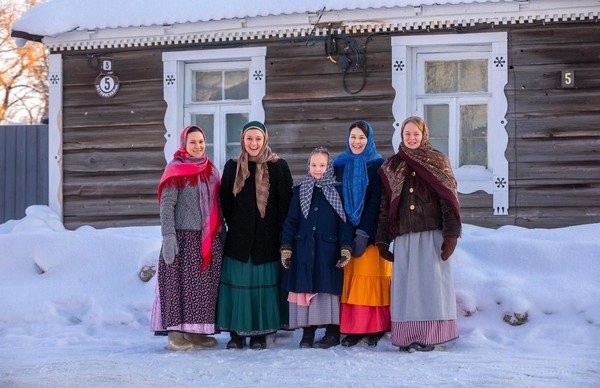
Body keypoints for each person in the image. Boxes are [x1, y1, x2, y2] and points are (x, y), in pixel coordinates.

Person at [376, 116, 461, 352]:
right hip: (404, 236)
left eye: (416, 133)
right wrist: (382, 240)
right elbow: (385, 206)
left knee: (430, 285)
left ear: (424, 135)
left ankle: (431, 336)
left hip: (431, 234)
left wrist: (451, 235)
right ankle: (406, 336)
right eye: (407, 134)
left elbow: (449, 201)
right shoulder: (391, 166)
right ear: (401, 136)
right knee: (406, 288)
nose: (412, 138)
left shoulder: (438, 161)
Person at [216, 120, 293, 350]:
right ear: (242, 140)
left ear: (265, 139)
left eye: (258, 138)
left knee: (262, 287)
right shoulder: (233, 167)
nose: (254, 143)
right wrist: (239, 226)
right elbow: (225, 203)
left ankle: (260, 333)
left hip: (267, 241)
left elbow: (285, 205)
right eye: (249, 138)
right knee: (238, 287)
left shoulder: (278, 166)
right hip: (239, 241)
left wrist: (281, 238)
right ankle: (236, 334)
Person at [151, 125, 223, 351]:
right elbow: (166, 205)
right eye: (193, 142)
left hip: (207, 239)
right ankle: (175, 334)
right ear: (184, 144)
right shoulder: (175, 170)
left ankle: (196, 333)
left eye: (201, 141)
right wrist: (168, 236)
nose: (198, 146)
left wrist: (221, 231)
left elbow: (217, 205)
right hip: (182, 238)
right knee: (178, 286)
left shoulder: (211, 171)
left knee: (203, 290)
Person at [280, 147, 354, 349]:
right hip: (303, 247)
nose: (318, 169)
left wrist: (346, 248)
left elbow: (344, 223)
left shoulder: (337, 191)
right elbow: (291, 221)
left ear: (329, 166)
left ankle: (332, 331)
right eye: (314, 165)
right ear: (308, 166)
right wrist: (286, 247)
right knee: (306, 289)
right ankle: (308, 331)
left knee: (327, 289)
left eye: (322, 165)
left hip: (328, 250)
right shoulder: (300, 190)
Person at [333, 120, 391, 348]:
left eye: (362, 138)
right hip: (346, 232)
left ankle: (376, 327)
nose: (357, 142)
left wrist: (364, 233)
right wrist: (346, 232)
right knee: (353, 282)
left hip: (371, 233)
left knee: (371, 280)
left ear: (369, 140)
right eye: (353, 137)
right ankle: (354, 329)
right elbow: (336, 198)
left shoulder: (378, 165)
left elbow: (377, 201)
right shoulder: (339, 164)